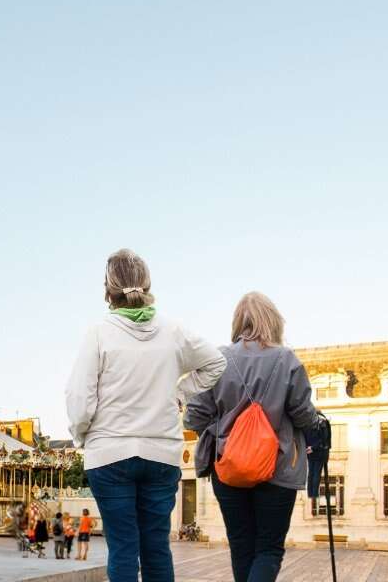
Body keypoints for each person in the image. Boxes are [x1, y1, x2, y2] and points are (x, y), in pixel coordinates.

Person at [66, 249, 227, 582]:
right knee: (156, 547)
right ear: (147, 284)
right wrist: (179, 393)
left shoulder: (98, 333)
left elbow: (79, 397)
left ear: (107, 289)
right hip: (161, 453)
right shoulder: (173, 331)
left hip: (109, 453)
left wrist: (82, 435)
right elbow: (216, 363)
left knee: (123, 548)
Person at [185, 292, 320, 582]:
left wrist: (223, 433)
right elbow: (302, 414)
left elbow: (193, 415)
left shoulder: (217, 360)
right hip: (278, 467)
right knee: (268, 550)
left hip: (229, 469)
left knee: (241, 547)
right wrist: (315, 420)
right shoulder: (286, 360)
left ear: (237, 323)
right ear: (273, 322)